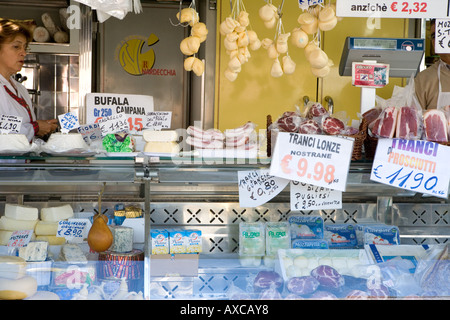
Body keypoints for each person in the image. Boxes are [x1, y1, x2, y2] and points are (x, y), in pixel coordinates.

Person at [0, 19, 58, 142]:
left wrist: (40, 128)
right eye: (16, 46)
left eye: (25, 47)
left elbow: (21, 130)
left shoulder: (20, 89)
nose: (23, 53)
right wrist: (35, 128)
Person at [415, 19, 450, 110]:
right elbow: (415, 118)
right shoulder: (423, 78)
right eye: (434, 36)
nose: (437, 40)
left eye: (442, 34)